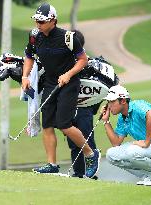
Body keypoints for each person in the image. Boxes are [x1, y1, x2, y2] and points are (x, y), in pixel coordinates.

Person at [22, 2, 100, 178]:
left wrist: (68, 74)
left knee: (64, 125)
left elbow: (83, 60)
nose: (38, 25)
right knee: (48, 124)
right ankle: (52, 164)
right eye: (36, 21)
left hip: (69, 83)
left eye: (41, 22)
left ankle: (90, 154)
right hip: (50, 82)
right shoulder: (35, 36)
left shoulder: (69, 38)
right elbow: (28, 56)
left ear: (53, 21)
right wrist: (25, 77)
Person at [101, 85, 151, 187]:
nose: (109, 105)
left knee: (132, 151)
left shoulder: (138, 105)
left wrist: (146, 142)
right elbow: (116, 142)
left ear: (123, 101)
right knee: (111, 155)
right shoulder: (122, 119)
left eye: (112, 102)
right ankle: (149, 176)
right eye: (108, 102)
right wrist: (106, 121)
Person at [66, 30, 99, 178]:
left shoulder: (87, 61)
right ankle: (78, 173)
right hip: (69, 106)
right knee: (74, 142)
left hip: (85, 107)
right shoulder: (67, 60)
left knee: (87, 139)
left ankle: (91, 175)